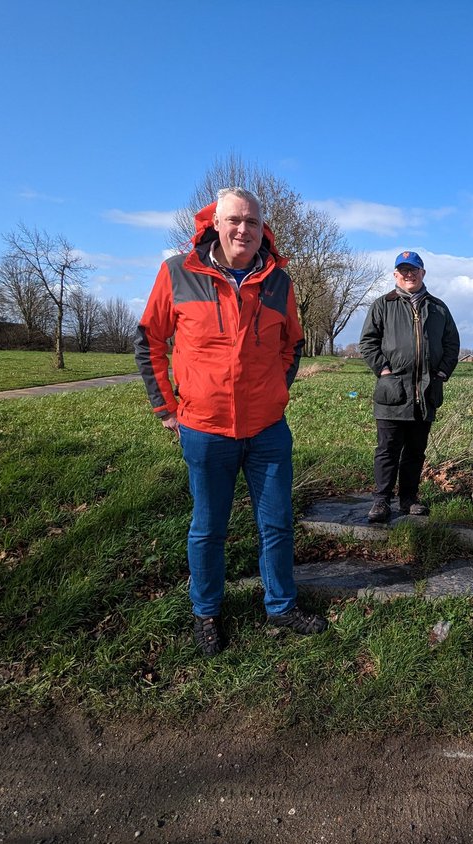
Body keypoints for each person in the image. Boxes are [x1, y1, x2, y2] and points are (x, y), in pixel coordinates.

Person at [134, 186, 327, 656]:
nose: (244, 229)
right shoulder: (178, 273)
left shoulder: (280, 282)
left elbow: (292, 344)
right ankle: (207, 613)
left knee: (278, 523)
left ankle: (281, 606)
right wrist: (166, 408)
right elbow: (149, 341)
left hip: (267, 430)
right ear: (215, 224)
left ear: (264, 230)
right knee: (208, 527)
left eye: (253, 223)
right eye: (235, 221)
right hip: (204, 428)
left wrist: (276, 388)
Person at [358, 251, 460, 524]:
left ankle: (408, 499)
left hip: (426, 393)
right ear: (395, 275)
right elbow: (368, 342)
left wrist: (441, 374)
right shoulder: (383, 305)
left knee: (415, 451)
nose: (408, 275)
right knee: (387, 449)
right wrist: (384, 370)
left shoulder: (438, 308)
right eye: (403, 270)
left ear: (422, 273)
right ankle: (381, 500)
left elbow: (452, 344)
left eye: (413, 270)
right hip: (392, 392)